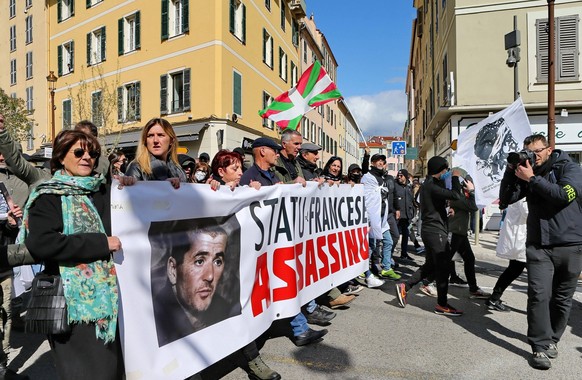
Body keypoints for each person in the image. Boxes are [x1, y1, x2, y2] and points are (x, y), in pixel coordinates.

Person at [23, 130, 135, 379]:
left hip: (108, 301)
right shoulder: (48, 195)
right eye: (79, 152)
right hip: (72, 307)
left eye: (93, 153)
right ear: (61, 157)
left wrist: (130, 187)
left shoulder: (102, 190)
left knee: (112, 371)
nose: (87, 158)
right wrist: (99, 244)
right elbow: (42, 243)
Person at [499, 134, 582, 370]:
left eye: (536, 152)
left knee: (562, 298)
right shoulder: (528, 171)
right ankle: (539, 346)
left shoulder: (570, 168)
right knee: (538, 294)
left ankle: (553, 339)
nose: (532, 156)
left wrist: (533, 179)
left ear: (548, 149)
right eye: (528, 152)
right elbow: (506, 199)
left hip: (571, 244)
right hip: (538, 245)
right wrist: (511, 170)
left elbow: (563, 196)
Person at [240, 137, 329, 347]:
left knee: (284, 283)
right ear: (262, 151)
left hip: (275, 242)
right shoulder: (249, 178)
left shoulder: (269, 176)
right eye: (274, 150)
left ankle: (300, 330)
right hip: (262, 245)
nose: (277, 154)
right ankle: (295, 330)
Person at [205, 150, 280, 380]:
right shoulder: (209, 190)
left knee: (241, 309)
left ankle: (253, 360)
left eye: (240, 168)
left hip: (237, 262)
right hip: (212, 266)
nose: (240, 173)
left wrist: (253, 192)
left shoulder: (242, 191)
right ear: (220, 172)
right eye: (235, 169)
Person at [395, 156, 467, 316]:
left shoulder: (431, 184)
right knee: (444, 267)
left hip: (432, 230)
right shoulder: (431, 185)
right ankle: (442, 304)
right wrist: (455, 177)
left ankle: (405, 287)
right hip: (435, 231)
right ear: (440, 170)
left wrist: (446, 210)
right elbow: (455, 195)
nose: (447, 172)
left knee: (431, 265)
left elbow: (440, 201)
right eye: (446, 170)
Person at [447, 172, 490, 299]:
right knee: (443, 260)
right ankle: (424, 282)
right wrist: (471, 192)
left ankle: (473, 288)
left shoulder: (462, 195)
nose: (472, 186)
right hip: (454, 232)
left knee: (469, 259)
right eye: (470, 184)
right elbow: (473, 207)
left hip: (460, 233)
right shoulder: (458, 196)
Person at [362, 153, 400, 280]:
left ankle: (387, 268)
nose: (380, 162)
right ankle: (363, 269)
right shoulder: (368, 177)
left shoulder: (383, 178)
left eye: (382, 161)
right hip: (372, 218)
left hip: (383, 217)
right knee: (372, 245)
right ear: (372, 163)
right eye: (377, 160)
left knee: (388, 241)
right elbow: (368, 198)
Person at [485, 199, 527, 312]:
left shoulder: (520, 194)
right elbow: (528, 213)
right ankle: (494, 299)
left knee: (513, 270)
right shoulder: (523, 196)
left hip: (521, 240)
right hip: (520, 241)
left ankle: (494, 298)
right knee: (517, 271)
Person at [125, 118, 187, 186]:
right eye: (150, 136)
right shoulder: (137, 167)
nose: (155, 140)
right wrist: (163, 186)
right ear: (145, 141)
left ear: (171, 140)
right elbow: (135, 194)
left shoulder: (177, 168)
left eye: (160, 135)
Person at [394, 169, 424, 259]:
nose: (399, 177)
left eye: (401, 176)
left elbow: (411, 200)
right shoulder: (395, 185)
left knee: (406, 235)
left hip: (407, 216)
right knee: (395, 236)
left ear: (406, 177)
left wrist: (411, 212)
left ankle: (404, 254)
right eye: (398, 175)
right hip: (397, 215)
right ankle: (389, 257)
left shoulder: (408, 186)